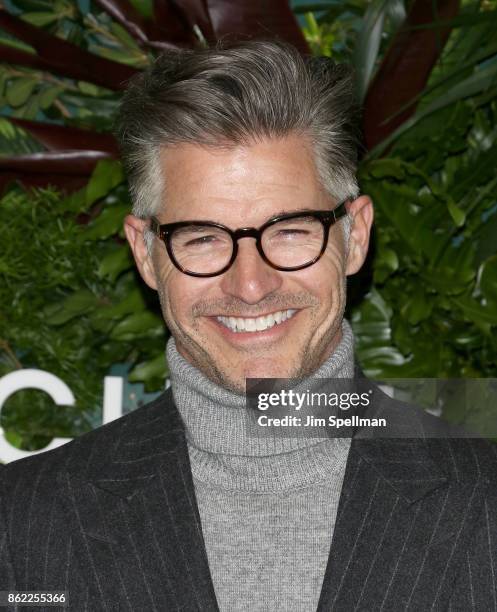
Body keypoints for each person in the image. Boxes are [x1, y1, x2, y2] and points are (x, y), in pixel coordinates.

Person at [1, 40, 496, 612]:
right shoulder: (22, 525)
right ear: (145, 253)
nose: (251, 285)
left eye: (290, 231)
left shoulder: (485, 500)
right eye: (203, 238)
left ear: (354, 236)